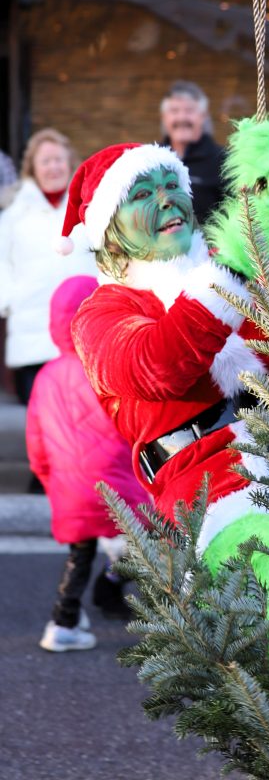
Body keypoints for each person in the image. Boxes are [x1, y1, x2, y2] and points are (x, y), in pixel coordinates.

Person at [58, 142, 266, 522]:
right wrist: (226, 283)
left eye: (173, 185)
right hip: (210, 493)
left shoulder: (234, 262)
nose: (167, 199)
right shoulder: (101, 313)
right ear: (111, 233)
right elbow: (157, 367)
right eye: (141, 194)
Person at [26, 275, 148, 652]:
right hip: (116, 480)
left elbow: (36, 445)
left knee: (80, 554)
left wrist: (52, 482)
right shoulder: (105, 366)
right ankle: (119, 588)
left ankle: (62, 621)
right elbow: (132, 425)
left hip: (69, 486)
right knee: (147, 537)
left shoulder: (45, 377)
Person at [0, 128, 95, 407]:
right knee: (44, 418)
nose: (53, 167)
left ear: (70, 164)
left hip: (85, 336)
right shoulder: (14, 214)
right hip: (33, 334)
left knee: (89, 418)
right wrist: (9, 300)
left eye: (58, 160)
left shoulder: (89, 210)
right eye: (45, 161)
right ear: (32, 168)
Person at [159, 80, 226, 224]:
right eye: (174, 111)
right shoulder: (152, 160)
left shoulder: (224, 161)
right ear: (164, 118)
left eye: (189, 110)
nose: (182, 118)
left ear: (203, 116)